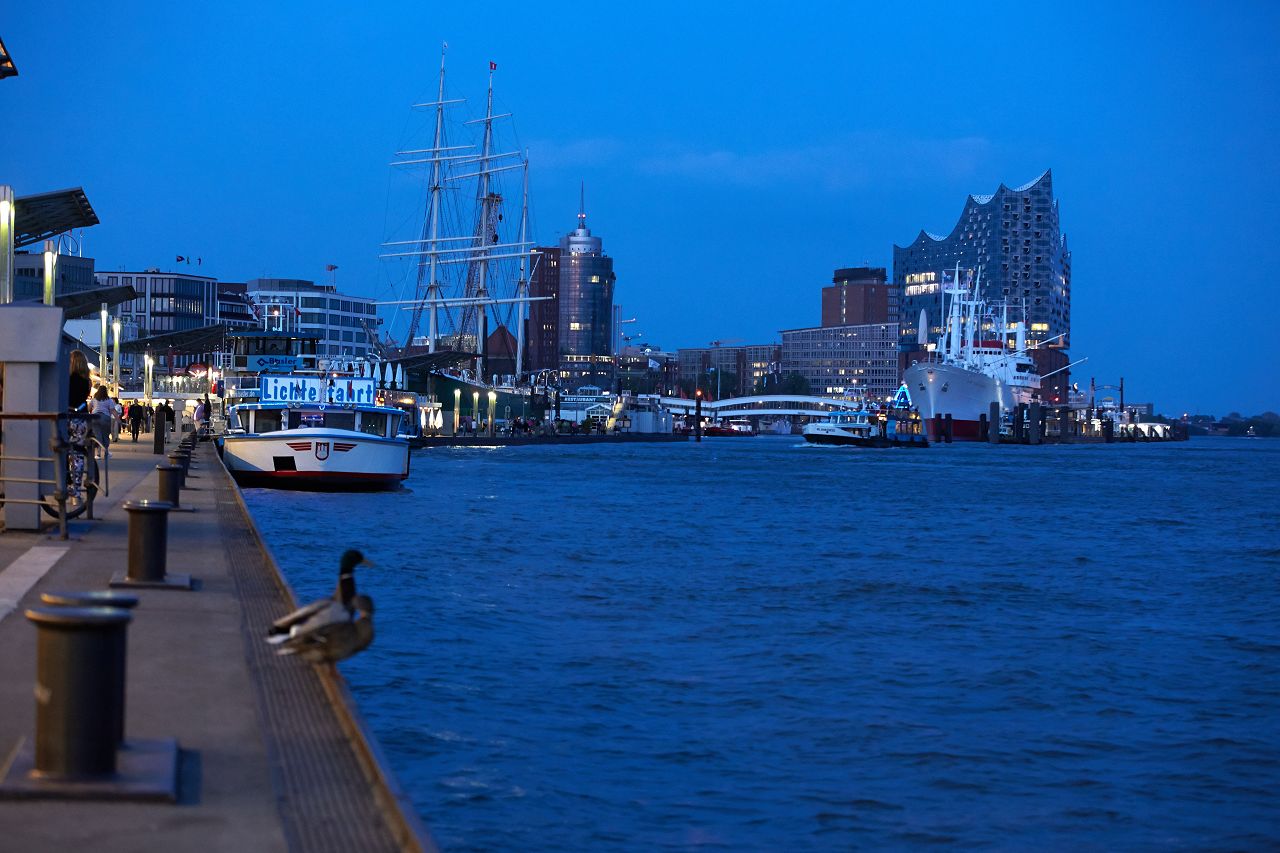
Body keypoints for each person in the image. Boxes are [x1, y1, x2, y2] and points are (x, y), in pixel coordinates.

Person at [90, 385, 114, 452]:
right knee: (105, 435)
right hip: (105, 417)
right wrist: (118, 419)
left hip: (95, 417)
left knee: (98, 435)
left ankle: (98, 453)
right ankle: (106, 450)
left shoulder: (94, 399)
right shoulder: (109, 400)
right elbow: (113, 410)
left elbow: (88, 408)